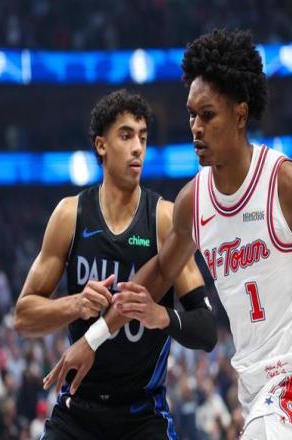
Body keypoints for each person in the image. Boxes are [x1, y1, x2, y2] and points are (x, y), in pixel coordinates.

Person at [43, 30, 292, 439]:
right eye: (192, 115)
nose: (196, 127)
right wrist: (93, 339)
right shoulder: (193, 201)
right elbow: (157, 276)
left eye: (208, 115)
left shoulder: (288, 185)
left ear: (240, 115)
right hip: (255, 387)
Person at [14, 89, 217, 440]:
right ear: (101, 145)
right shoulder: (70, 215)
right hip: (78, 410)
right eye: (126, 135)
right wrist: (76, 304)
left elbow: (207, 329)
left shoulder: (163, 219)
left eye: (143, 137)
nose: (138, 147)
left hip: (142, 414)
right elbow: (23, 317)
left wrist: (161, 315)